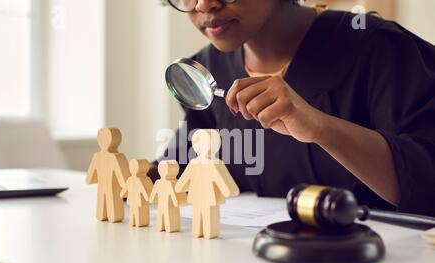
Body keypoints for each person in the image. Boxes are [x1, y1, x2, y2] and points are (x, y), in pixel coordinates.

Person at [151, 0, 435, 216]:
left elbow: (426, 180)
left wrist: (319, 127)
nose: (203, 5)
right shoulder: (209, 70)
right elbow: (177, 171)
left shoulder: (381, 49)